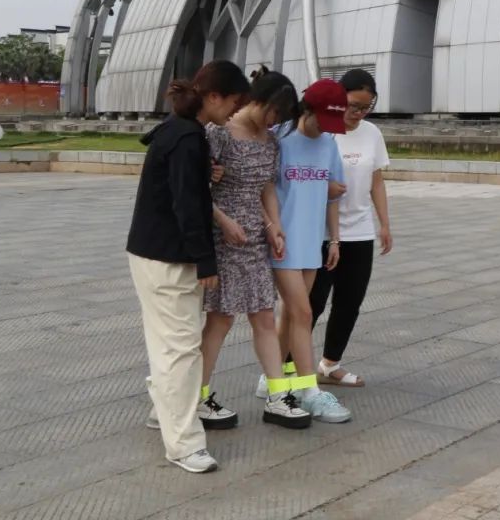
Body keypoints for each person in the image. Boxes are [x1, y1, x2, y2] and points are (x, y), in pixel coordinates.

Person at [127, 60, 249, 474]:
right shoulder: (187, 137)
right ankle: (184, 444)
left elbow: (184, 188)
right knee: (180, 349)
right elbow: (187, 205)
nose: (234, 111)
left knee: (169, 343)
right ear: (213, 96)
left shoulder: (178, 130)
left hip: (151, 252)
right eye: (233, 102)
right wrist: (205, 260)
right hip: (168, 257)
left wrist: (203, 174)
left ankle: (163, 413)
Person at [197, 69, 312, 430]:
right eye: (275, 112)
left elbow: (266, 189)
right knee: (221, 319)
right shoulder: (220, 133)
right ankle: (196, 396)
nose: (275, 121)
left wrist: (273, 227)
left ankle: (277, 396)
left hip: (255, 238)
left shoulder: (270, 141)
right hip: (224, 237)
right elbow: (197, 188)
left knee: (263, 314)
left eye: (281, 117)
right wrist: (223, 221)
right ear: (260, 100)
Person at [256, 78, 353, 423]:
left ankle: (271, 380)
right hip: (283, 241)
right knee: (303, 313)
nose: (324, 129)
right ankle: (309, 390)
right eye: (321, 120)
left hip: (312, 241)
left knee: (292, 315)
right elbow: (262, 187)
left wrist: (334, 239)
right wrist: (271, 226)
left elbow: (333, 195)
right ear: (306, 110)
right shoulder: (278, 138)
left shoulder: (328, 144)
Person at [308, 68, 393, 388]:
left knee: (349, 301)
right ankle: (286, 366)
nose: (358, 113)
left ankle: (330, 364)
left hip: (359, 230)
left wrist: (384, 223)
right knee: (312, 303)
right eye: (353, 105)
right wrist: (325, 186)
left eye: (365, 107)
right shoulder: (323, 131)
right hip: (321, 232)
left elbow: (376, 180)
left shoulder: (372, 133)